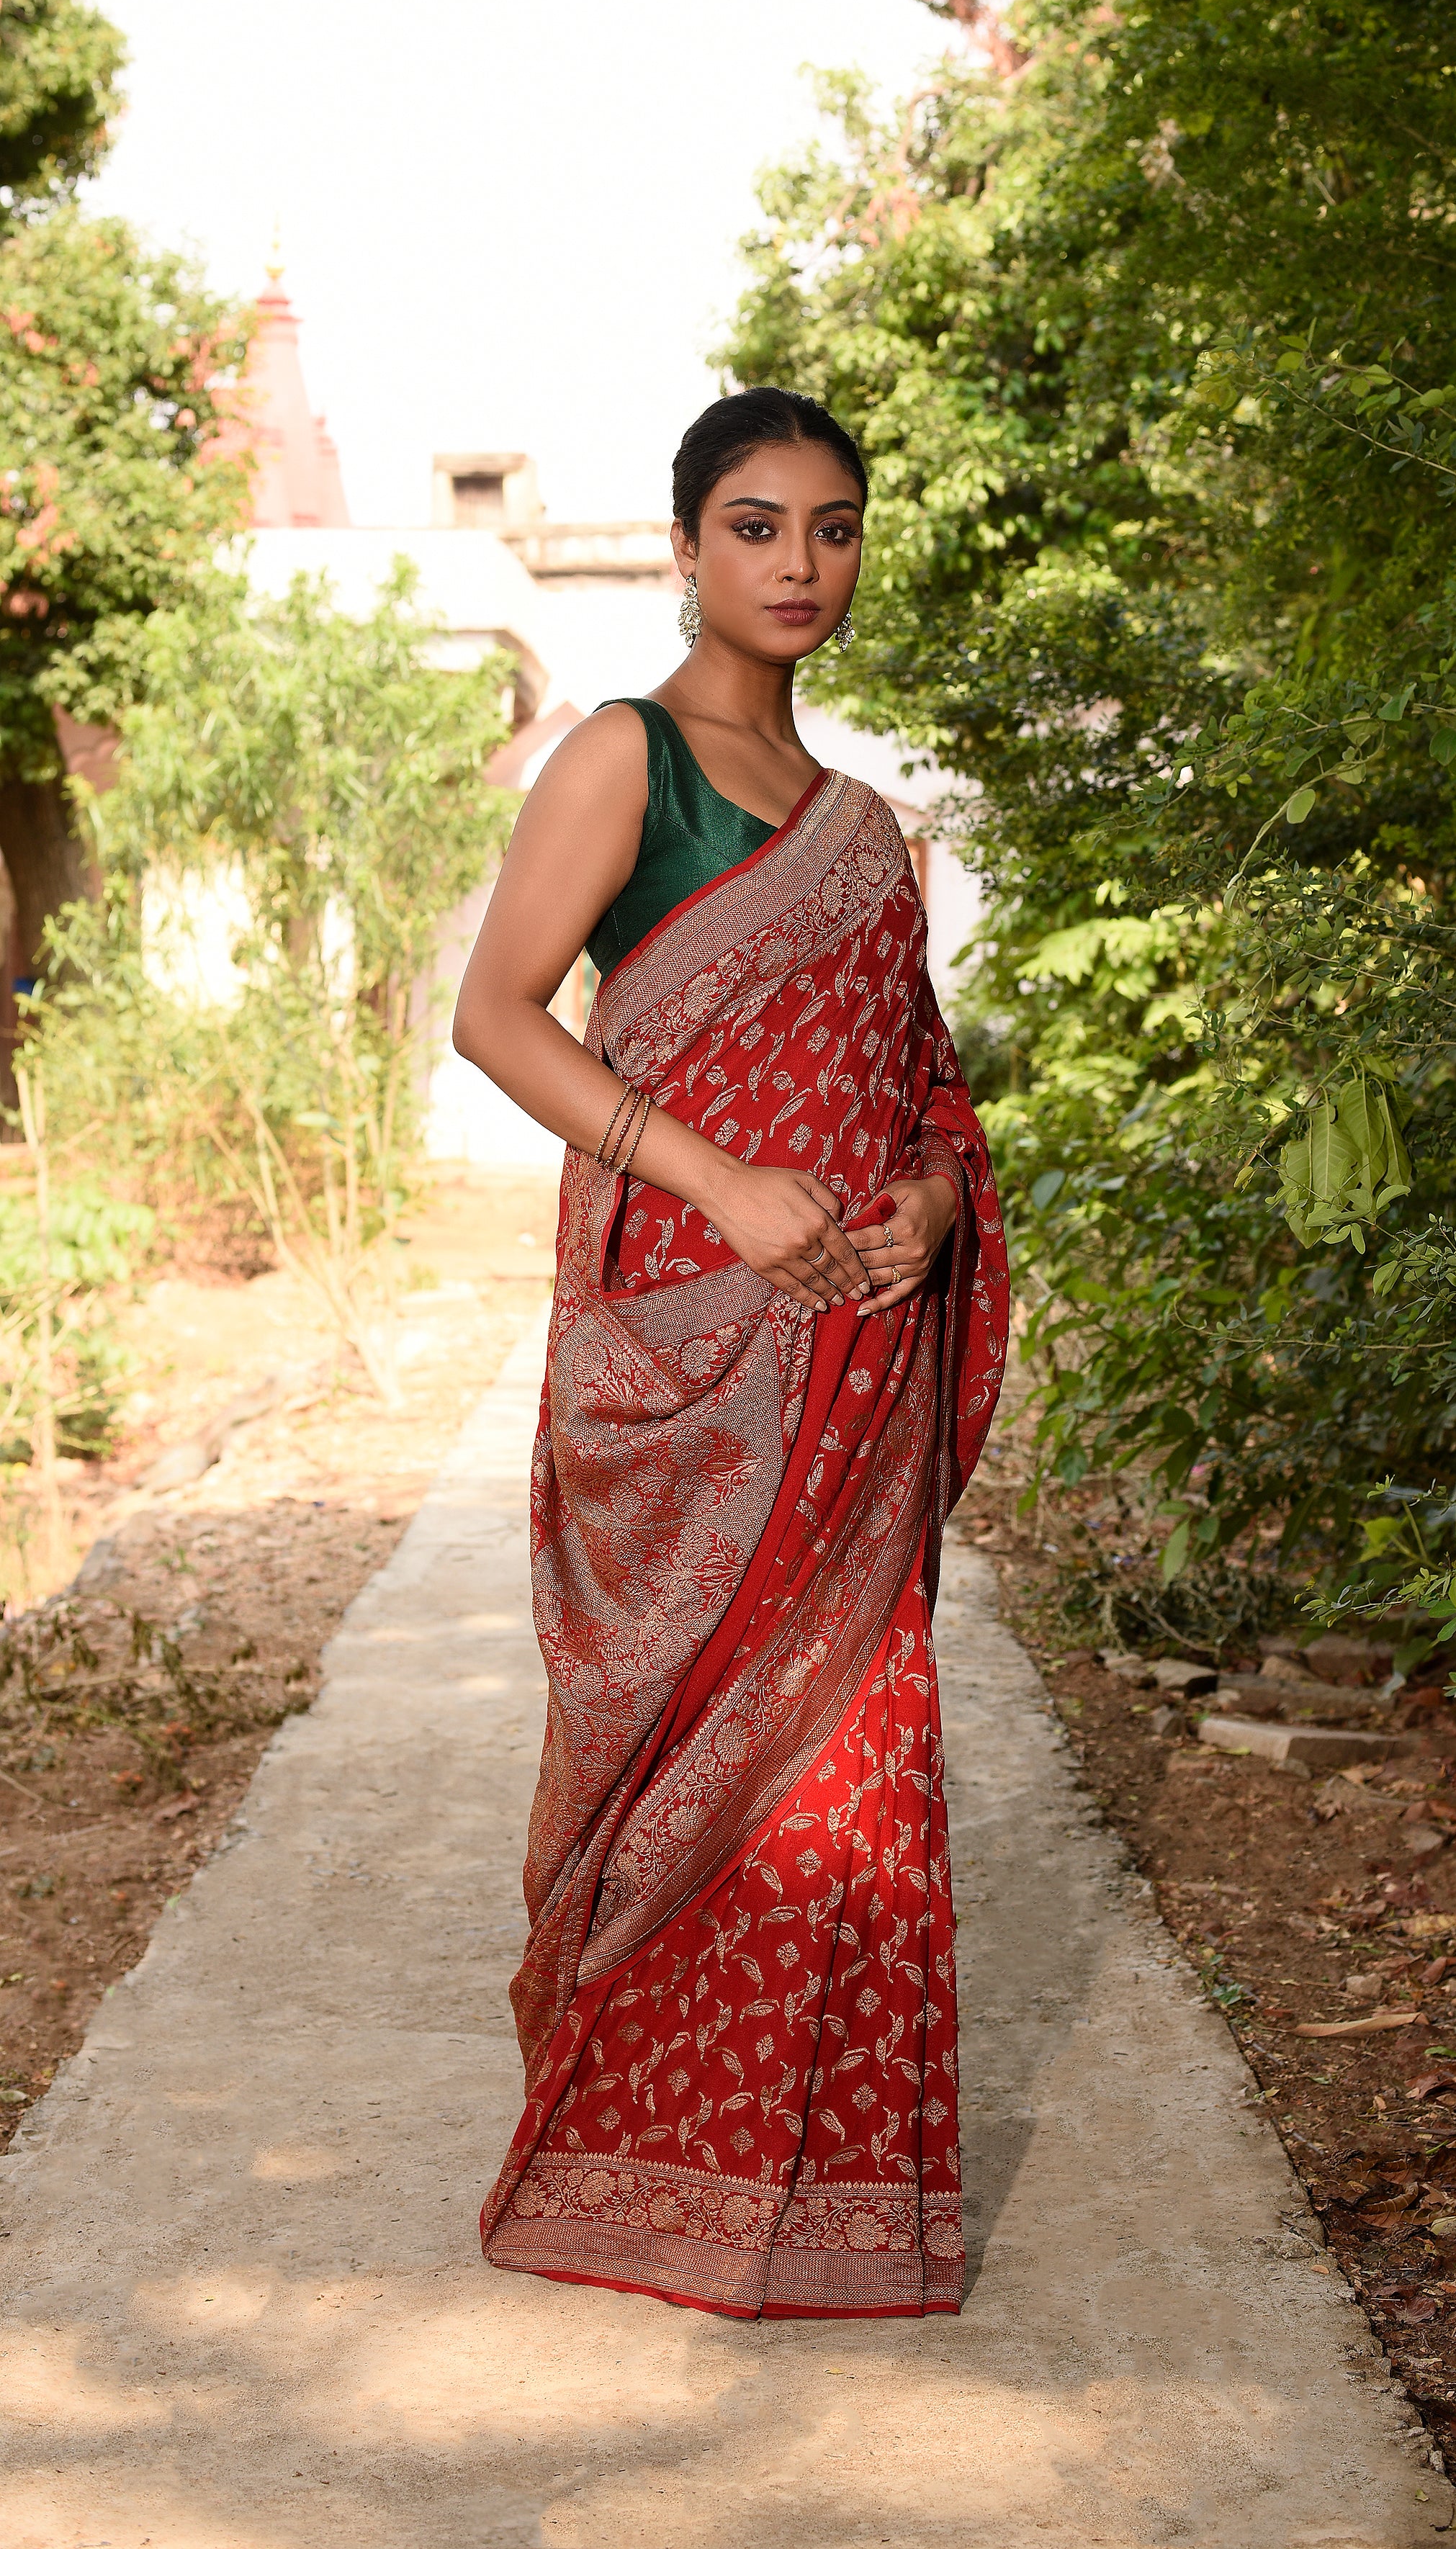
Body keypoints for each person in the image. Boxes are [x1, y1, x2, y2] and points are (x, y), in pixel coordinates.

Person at [453, 385, 1007, 2319]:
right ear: (688, 548)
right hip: (696, 1352)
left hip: (859, 1363)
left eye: (835, 527)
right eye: (760, 526)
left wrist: (934, 1204)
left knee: (852, 1772)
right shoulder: (629, 760)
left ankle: (833, 2194)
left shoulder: (872, 832)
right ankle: (635, 2163)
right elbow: (500, 1018)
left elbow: (926, 1086)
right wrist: (726, 1182)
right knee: (674, 1758)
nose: (801, 563)